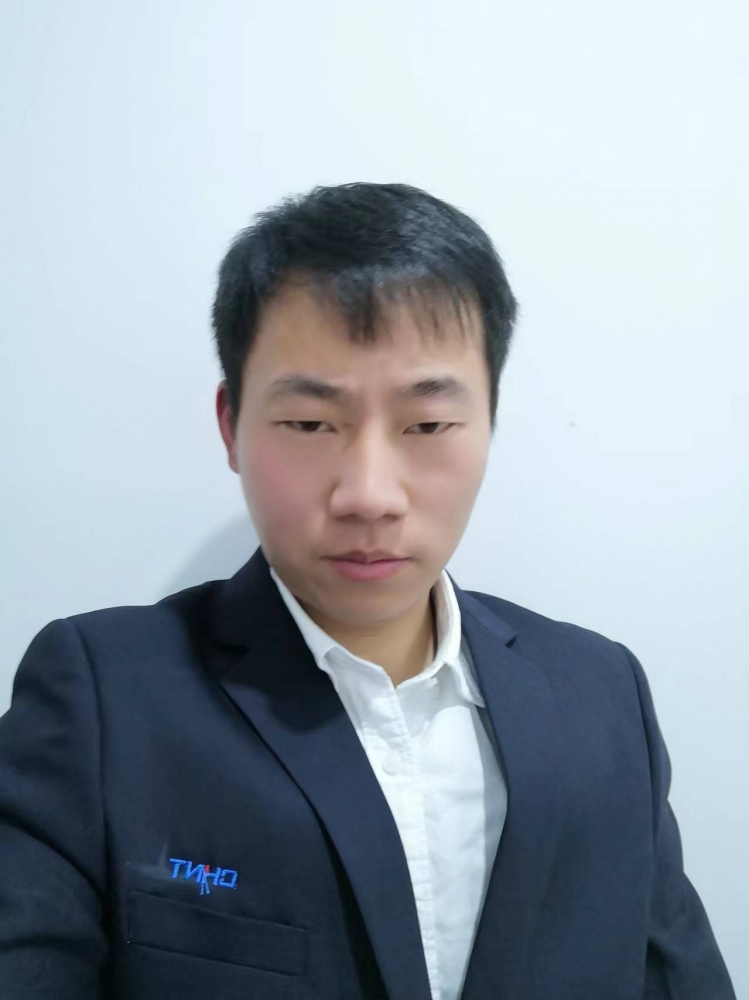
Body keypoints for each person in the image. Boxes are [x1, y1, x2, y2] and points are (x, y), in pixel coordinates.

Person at [0, 182, 735, 1000]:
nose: (369, 495)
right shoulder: (102, 698)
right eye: (310, 424)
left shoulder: (601, 695)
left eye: (426, 425)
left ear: (490, 420)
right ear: (230, 425)